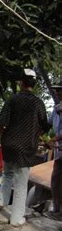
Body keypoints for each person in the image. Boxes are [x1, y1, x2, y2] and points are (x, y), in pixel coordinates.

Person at [0, 69, 50, 227]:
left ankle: (1, 201)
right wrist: (38, 135)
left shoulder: (13, 100)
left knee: (8, 173)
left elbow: (1, 123)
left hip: (9, 145)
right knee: (21, 183)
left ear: (21, 83)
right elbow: (44, 125)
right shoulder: (38, 103)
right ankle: (16, 219)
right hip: (25, 147)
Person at [46, 79, 62, 220]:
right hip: (59, 153)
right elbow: (47, 125)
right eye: (56, 90)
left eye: (59, 89)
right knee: (56, 178)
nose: (57, 92)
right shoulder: (56, 109)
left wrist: (54, 139)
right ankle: (57, 210)